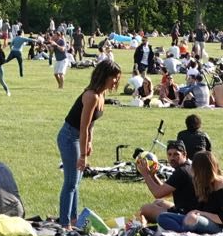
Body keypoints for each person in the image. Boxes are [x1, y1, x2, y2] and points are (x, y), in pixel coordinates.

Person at [56, 60, 120, 227]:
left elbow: (91, 123)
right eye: (114, 77)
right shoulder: (91, 95)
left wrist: (89, 142)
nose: (116, 81)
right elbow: (83, 127)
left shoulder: (102, 95)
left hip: (79, 137)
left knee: (76, 182)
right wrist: (83, 156)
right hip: (69, 137)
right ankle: (65, 223)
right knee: (71, 182)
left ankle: (74, 219)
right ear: (104, 76)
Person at [156, 151, 223, 235]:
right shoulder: (204, 183)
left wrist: (200, 214)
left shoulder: (222, 185)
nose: (192, 170)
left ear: (202, 169)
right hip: (200, 218)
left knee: (194, 220)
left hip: (221, 227)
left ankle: (182, 230)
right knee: (162, 217)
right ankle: (184, 229)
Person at [134, 139, 194, 225]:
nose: (172, 158)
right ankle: (143, 222)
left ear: (184, 154)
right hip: (188, 210)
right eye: (169, 154)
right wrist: (153, 175)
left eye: (176, 154)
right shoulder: (188, 167)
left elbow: (158, 193)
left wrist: (146, 175)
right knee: (158, 202)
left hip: (185, 215)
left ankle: (138, 226)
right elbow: (166, 193)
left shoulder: (181, 172)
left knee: (145, 209)